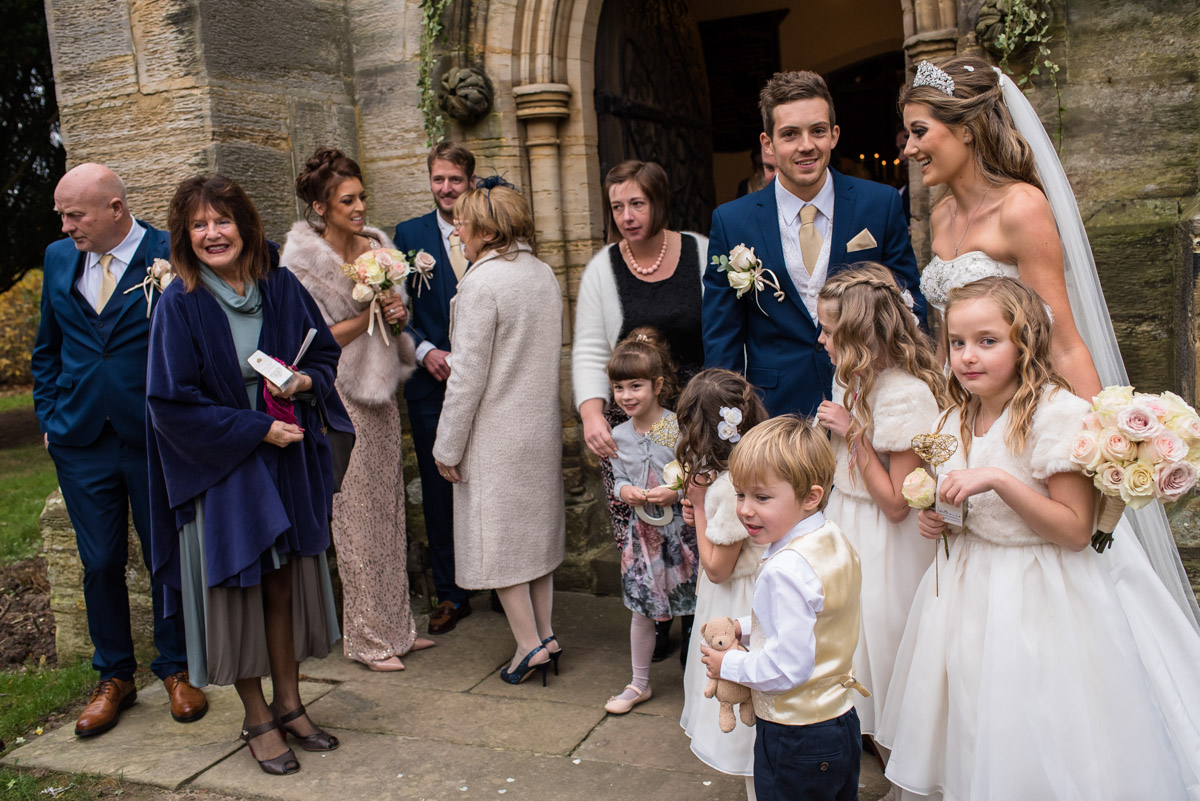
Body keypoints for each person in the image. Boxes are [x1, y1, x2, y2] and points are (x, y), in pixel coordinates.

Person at [899, 55, 1200, 629]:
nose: (909, 148)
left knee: (1056, 554)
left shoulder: (1021, 207)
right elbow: (947, 339)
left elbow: (1061, 338)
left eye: (919, 131)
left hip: (1027, 415)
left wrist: (1105, 438)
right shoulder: (940, 216)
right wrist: (941, 428)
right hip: (968, 416)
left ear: (966, 129)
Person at [876, 277, 1200, 799]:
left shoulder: (1057, 416)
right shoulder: (954, 416)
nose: (967, 356)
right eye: (957, 342)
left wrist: (998, 481)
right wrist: (939, 519)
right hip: (966, 589)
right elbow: (961, 507)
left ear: (1024, 342)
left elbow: (1074, 531)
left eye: (987, 341)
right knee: (974, 719)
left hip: (1037, 593)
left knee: (1035, 722)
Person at [146, 175, 351, 775]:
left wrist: (305, 382)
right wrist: (256, 429)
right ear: (185, 236)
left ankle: (290, 703)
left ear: (245, 224)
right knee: (242, 591)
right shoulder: (181, 303)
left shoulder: (278, 284)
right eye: (199, 225)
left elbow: (323, 354)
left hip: (285, 460)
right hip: (222, 467)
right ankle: (257, 716)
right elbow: (170, 403)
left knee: (282, 584)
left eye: (222, 221)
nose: (212, 234)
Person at [32, 163, 206, 737]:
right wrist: (50, 418)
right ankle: (114, 677)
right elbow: (47, 348)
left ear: (115, 208)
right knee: (100, 560)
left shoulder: (169, 253)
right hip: (80, 439)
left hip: (153, 434)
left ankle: (177, 667)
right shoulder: (59, 258)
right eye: (61, 215)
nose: (65, 226)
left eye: (74, 215)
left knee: (163, 554)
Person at [283, 146, 435, 671]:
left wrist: (396, 313)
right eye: (347, 200)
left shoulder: (377, 246)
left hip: (382, 390)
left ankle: (399, 629)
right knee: (355, 516)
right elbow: (312, 341)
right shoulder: (301, 264)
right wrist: (370, 313)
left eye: (361, 196)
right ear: (320, 207)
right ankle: (368, 639)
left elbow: (396, 319)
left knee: (389, 508)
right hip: (339, 394)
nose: (359, 207)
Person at [703, 70, 924, 417]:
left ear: (834, 135)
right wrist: (727, 419)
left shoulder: (879, 204)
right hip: (775, 411)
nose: (806, 145)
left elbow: (909, 306)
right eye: (790, 134)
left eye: (817, 131)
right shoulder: (732, 221)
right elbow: (722, 338)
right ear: (768, 144)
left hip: (869, 402)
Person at [812, 264, 946, 770]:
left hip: (885, 541)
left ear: (858, 337)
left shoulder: (905, 394)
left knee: (883, 648)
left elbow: (894, 503)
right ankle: (868, 740)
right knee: (846, 642)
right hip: (845, 520)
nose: (820, 339)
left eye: (829, 330)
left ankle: (903, 762)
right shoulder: (850, 376)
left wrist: (853, 433)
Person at [431, 179, 565, 685]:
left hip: (495, 436)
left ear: (487, 231)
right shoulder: (542, 273)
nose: (457, 233)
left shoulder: (481, 285)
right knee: (536, 539)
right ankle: (546, 636)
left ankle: (529, 646)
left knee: (502, 543)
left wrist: (447, 445)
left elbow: (465, 377)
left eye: (463, 224)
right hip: (538, 428)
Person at [573, 160, 707, 660]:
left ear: (658, 202)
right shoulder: (603, 268)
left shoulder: (698, 251)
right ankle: (655, 615)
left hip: (691, 416)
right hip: (631, 419)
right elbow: (590, 347)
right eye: (617, 207)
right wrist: (592, 414)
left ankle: (695, 618)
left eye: (637, 203)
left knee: (691, 515)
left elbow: (722, 331)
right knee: (643, 520)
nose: (627, 216)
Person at [701, 416, 868, 801]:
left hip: (796, 737)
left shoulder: (784, 570)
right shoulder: (832, 537)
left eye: (761, 498)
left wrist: (728, 665)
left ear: (810, 496)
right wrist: (742, 627)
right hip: (839, 719)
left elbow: (786, 668)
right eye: (740, 495)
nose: (745, 510)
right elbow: (813, 615)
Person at [393, 141, 476, 634]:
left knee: (485, 482)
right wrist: (424, 350)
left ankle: (497, 579)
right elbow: (393, 309)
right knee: (438, 487)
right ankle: (450, 592)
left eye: (455, 179)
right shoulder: (409, 235)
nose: (446, 188)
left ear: (470, 182)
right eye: (438, 179)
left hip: (484, 384)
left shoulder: (488, 229)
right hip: (431, 383)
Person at [676, 368, 769, 799]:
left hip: (737, 600)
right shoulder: (749, 472)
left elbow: (717, 568)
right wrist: (702, 512)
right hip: (741, 592)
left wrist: (700, 507)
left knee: (744, 702)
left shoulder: (728, 490)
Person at [602, 328, 699, 714]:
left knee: (693, 605)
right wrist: (625, 490)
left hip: (682, 535)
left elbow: (694, 473)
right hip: (642, 537)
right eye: (619, 387)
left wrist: (676, 492)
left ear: (658, 386)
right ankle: (639, 683)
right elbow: (619, 478)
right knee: (642, 608)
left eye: (636, 386)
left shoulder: (673, 427)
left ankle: (701, 681)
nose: (626, 396)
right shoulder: (619, 434)